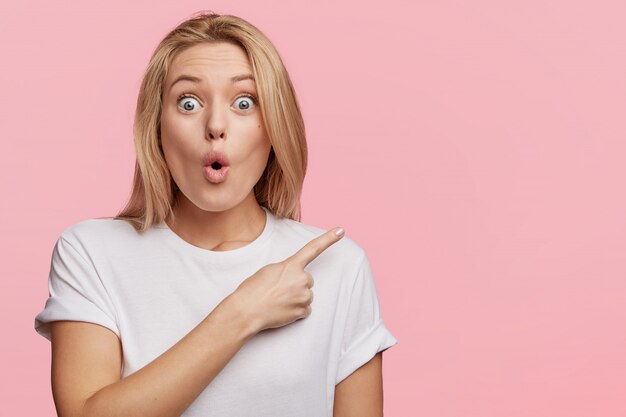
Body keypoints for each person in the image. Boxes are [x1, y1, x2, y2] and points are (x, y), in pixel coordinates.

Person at [34, 11, 398, 417]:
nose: (216, 125)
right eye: (188, 103)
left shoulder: (340, 267)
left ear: (275, 126)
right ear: (156, 127)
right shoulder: (91, 254)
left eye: (245, 103)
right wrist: (242, 312)